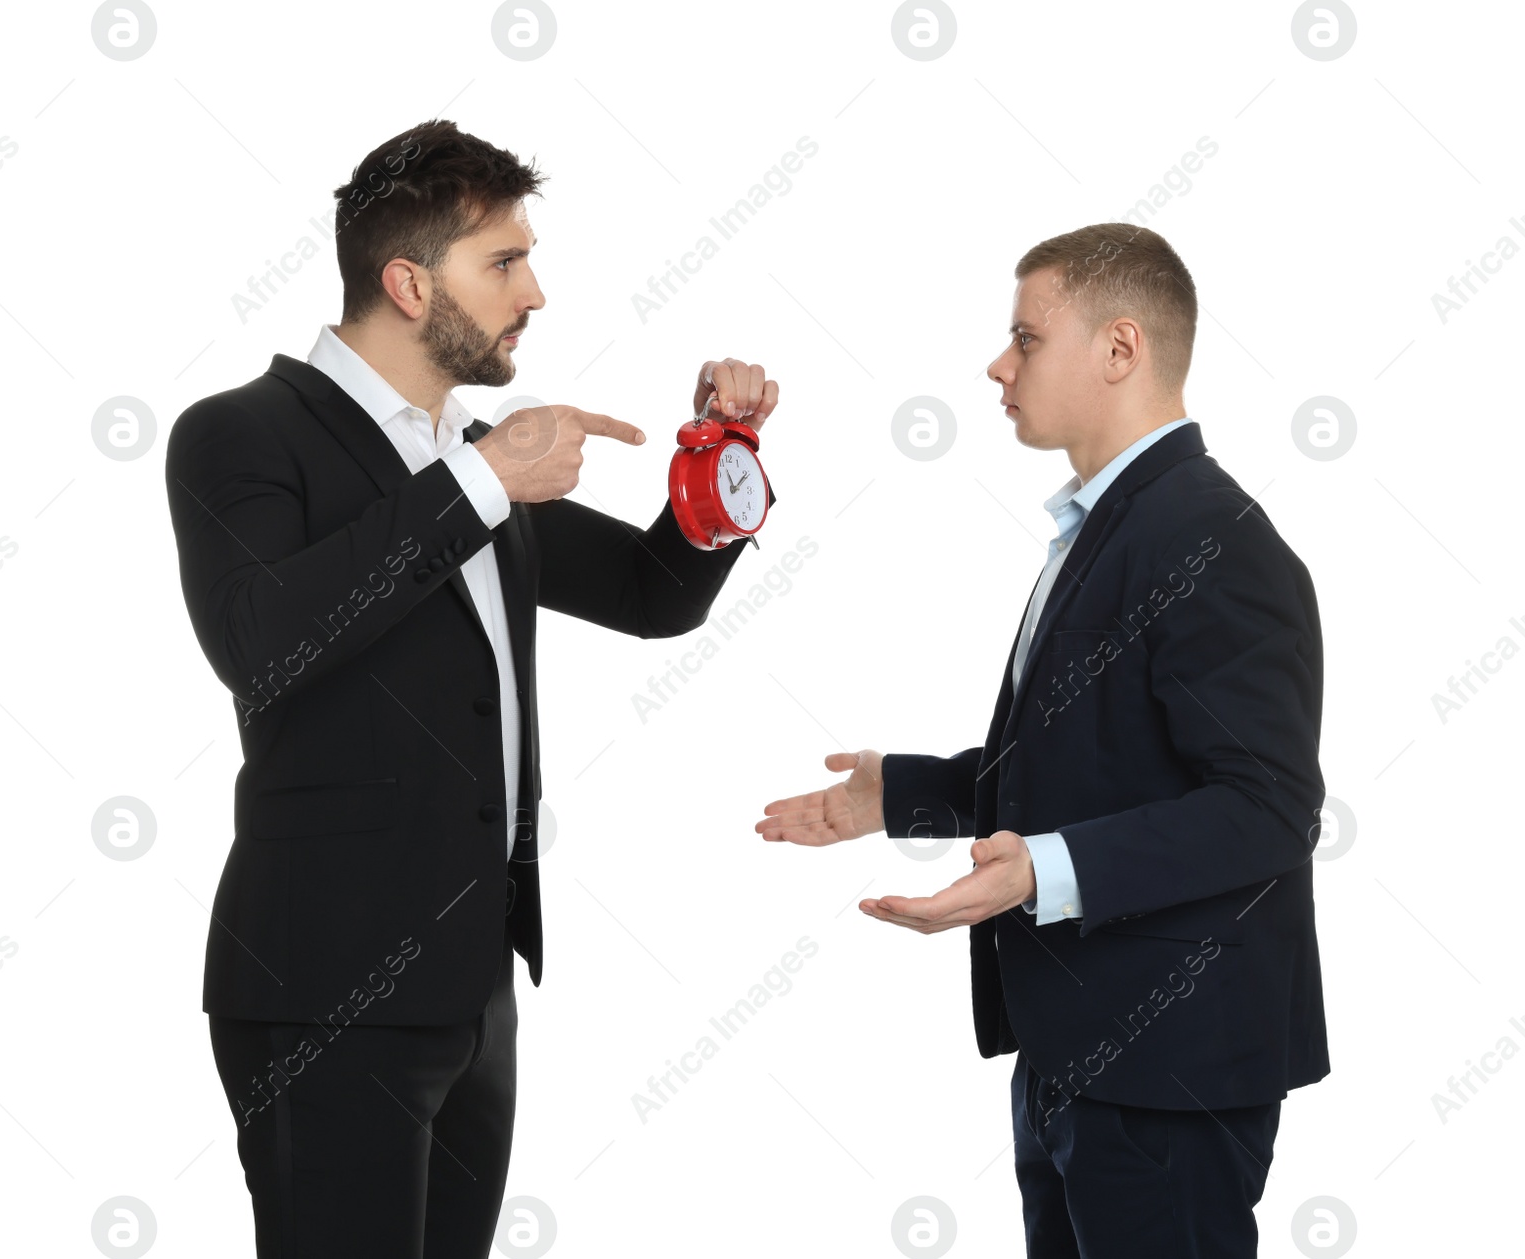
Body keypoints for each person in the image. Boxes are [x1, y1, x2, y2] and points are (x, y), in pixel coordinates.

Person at [164, 118, 777, 1258]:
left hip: (472, 988)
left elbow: (654, 592)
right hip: (321, 986)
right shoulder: (240, 434)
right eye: (503, 261)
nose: (534, 290)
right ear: (405, 282)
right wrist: (482, 478)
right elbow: (262, 643)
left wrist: (719, 455)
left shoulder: (477, 453)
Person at [758, 222, 1327, 1259]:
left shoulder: (1209, 536)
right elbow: (1104, 765)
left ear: (1119, 350)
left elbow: (1267, 809)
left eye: (1024, 337)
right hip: (1077, 1047)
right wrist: (901, 796)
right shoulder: (1115, 523)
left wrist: (1040, 871)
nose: (997, 363)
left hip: (1169, 1066)